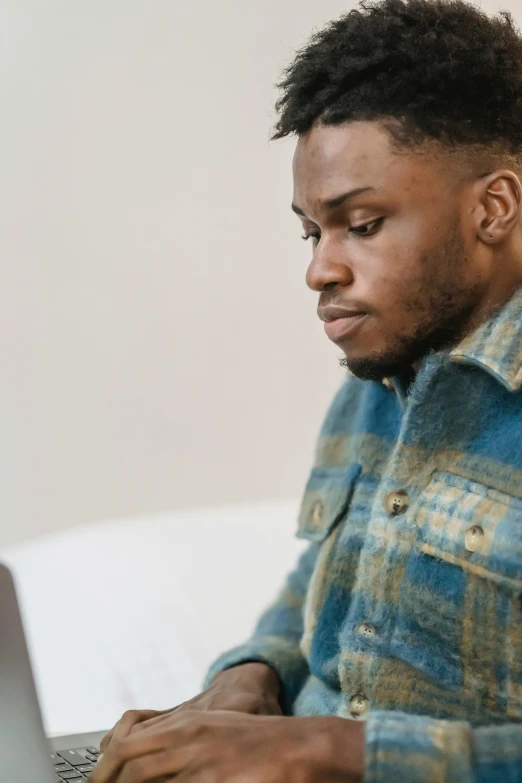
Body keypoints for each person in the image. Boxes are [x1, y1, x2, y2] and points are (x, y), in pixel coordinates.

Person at [90, 0, 522, 780]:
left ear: (493, 207)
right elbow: (324, 591)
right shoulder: (382, 372)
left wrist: (327, 750)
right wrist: (249, 679)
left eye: (361, 223)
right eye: (311, 231)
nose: (319, 269)